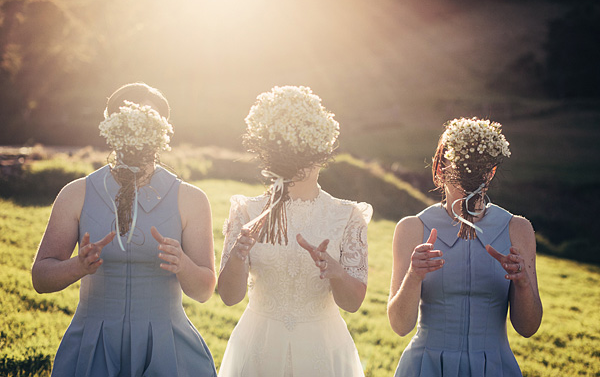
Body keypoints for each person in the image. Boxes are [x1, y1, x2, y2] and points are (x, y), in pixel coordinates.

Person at [31, 82, 218, 376]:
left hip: (166, 347)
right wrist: (77, 266)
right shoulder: (76, 193)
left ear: (164, 129)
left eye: (148, 119)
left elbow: (204, 290)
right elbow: (41, 279)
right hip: (93, 346)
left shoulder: (191, 199)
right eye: (127, 119)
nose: (137, 129)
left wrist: (182, 264)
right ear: (110, 126)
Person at [217, 86, 372, 377]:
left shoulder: (347, 216)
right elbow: (228, 297)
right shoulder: (247, 212)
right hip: (258, 345)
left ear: (321, 150)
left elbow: (352, 304)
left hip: (322, 349)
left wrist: (337, 272)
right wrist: (238, 256)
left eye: (306, 148)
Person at [388, 117, 542, 377]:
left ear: (491, 171)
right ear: (439, 169)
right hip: (426, 367)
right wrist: (413, 276)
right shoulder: (411, 228)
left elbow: (528, 328)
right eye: (461, 165)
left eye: (477, 167)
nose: (469, 175)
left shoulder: (518, 229)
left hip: (494, 367)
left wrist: (523, 283)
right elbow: (400, 326)